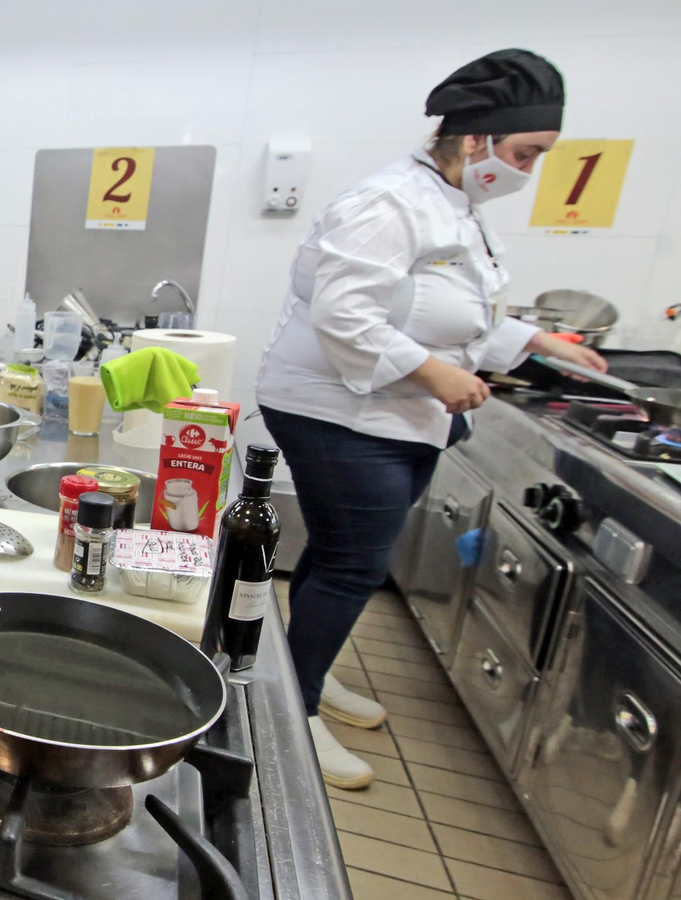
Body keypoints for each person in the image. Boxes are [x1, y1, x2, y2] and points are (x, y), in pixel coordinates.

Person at [254, 49, 606, 790]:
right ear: (476, 140)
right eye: (525, 153)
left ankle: (305, 671)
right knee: (355, 563)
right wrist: (437, 374)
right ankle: (291, 714)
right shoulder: (389, 203)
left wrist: (534, 342)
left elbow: (458, 312)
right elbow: (344, 315)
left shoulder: (452, 206)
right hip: (341, 411)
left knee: (344, 555)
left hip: (400, 413)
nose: (529, 170)